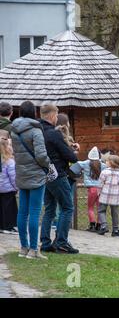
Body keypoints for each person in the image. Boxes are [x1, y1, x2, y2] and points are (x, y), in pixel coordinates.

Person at [10, 101, 52, 259]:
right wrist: (48, 164)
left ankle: (23, 248)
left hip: (21, 173)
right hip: (36, 175)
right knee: (34, 212)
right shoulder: (35, 130)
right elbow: (41, 155)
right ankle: (34, 250)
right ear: (34, 112)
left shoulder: (14, 130)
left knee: (23, 212)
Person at [39, 104, 79, 254]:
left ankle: (45, 242)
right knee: (67, 207)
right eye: (56, 116)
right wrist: (72, 150)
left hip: (45, 174)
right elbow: (71, 157)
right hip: (58, 174)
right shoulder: (53, 133)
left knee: (49, 209)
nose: (57, 119)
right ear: (51, 115)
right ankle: (62, 242)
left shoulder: (38, 132)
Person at [52, 113, 80, 231]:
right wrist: (74, 151)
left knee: (55, 200)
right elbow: (69, 156)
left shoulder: (52, 136)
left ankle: (56, 222)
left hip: (55, 172)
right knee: (65, 201)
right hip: (66, 173)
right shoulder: (64, 138)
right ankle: (61, 224)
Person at [70, 146, 106, 232]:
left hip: (91, 189)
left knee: (90, 207)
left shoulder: (85, 163)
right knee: (99, 208)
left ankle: (92, 225)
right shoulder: (103, 165)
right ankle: (99, 225)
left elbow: (74, 168)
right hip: (101, 189)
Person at [97, 155, 119, 237]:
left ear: (110, 163)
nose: (105, 162)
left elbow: (100, 184)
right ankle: (115, 230)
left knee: (101, 211)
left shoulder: (104, 172)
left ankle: (104, 226)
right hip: (115, 197)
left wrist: (98, 193)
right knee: (115, 213)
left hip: (104, 195)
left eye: (107, 161)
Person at [0, 132, 18, 234]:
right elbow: (13, 177)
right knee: (10, 209)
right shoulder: (9, 162)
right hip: (8, 188)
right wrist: (16, 187)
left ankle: (2, 226)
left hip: (1, 188)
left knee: (2, 208)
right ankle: (9, 226)